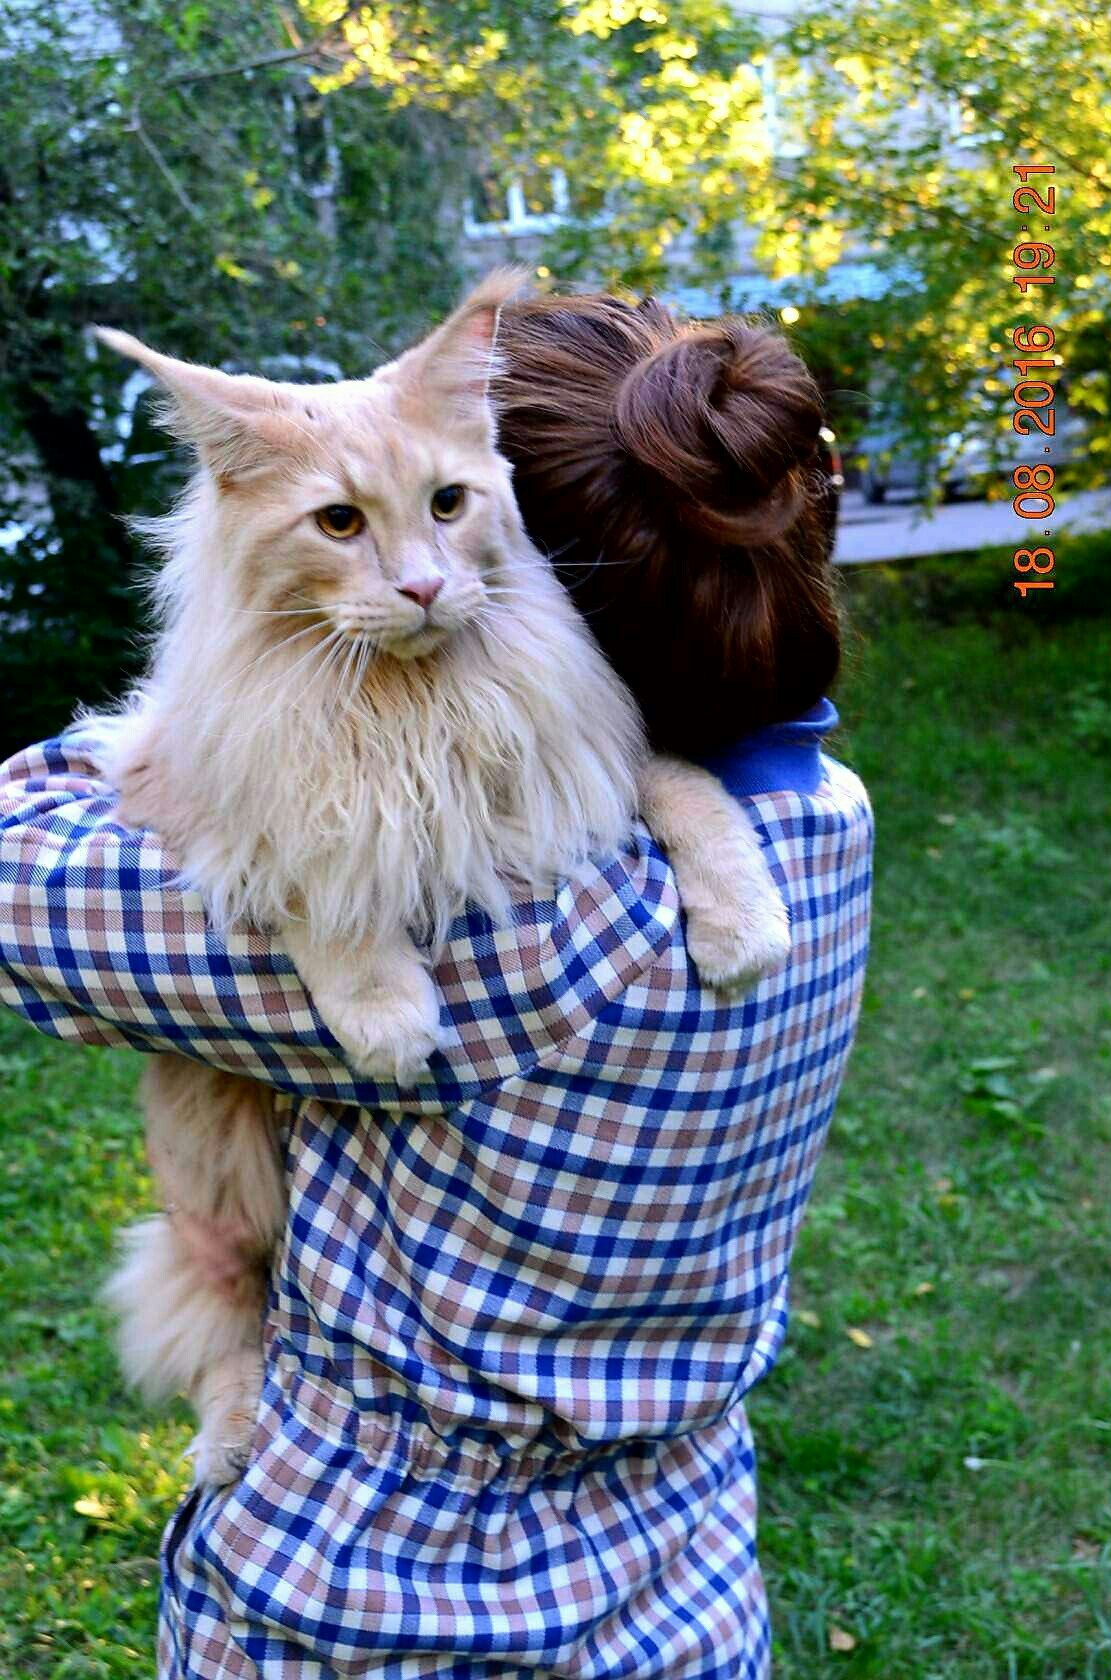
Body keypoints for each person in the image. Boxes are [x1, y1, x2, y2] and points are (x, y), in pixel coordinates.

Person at [0, 292, 872, 1679]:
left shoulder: (513, 953)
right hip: (683, 1591)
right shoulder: (829, 823)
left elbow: (25, 877)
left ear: (564, 563)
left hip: (370, 1607)